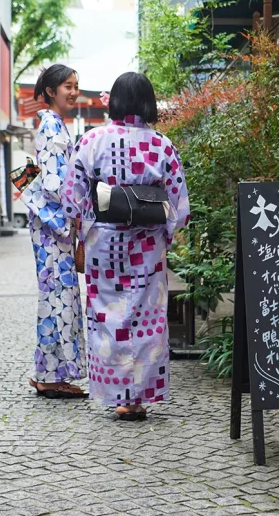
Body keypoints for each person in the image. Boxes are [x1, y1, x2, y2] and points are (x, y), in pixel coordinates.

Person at [63, 72, 190, 420]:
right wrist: (168, 232)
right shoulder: (162, 144)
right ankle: (139, 397)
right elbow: (179, 205)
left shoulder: (92, 140)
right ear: (148, 102)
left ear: (115, 101)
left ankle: (118, 393)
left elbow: (72, 196)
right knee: (147, 317)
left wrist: (81, 225)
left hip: (104, 242)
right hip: (147, 243)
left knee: (108, 315)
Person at [21, 64, 86, 398]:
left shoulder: (57, 124)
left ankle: (47, 372)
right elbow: (52, 182)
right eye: (67, 86)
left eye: (76, 86)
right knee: (58, 297)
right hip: (53, 224)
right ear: (50, 91)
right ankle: (49, 377)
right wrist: (77, 208)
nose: (73, 92)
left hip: (53, 223)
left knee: (58, 296)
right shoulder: (50, 125)